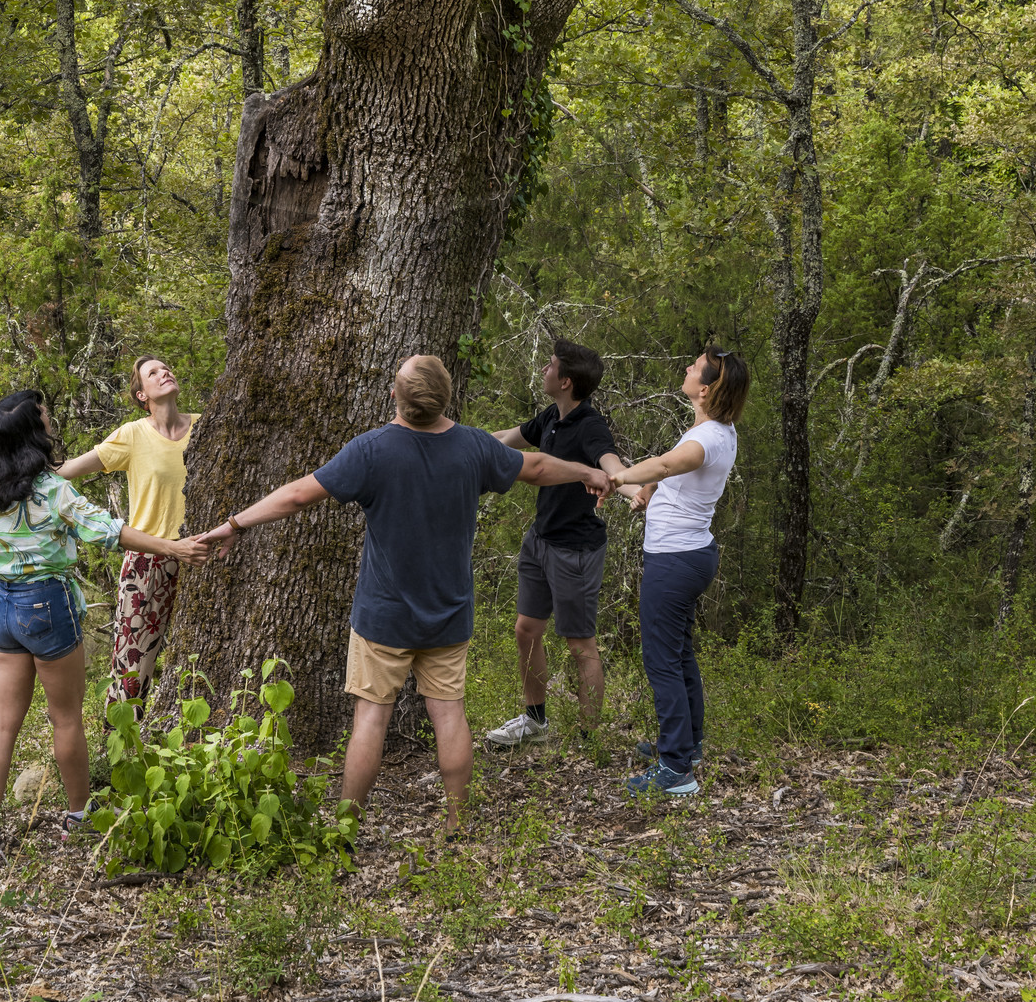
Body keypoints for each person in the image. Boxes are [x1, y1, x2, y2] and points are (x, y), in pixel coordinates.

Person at [195, 354, 613, 837]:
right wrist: (587, 473)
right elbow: (537, 467)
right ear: (446, 397)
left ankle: (346, 829)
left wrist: (233, 525)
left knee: (370, 721)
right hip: (448, 614)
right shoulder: (473, 447)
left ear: (396, 396)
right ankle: (457, 822)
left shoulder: (372, 450)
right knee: (449, 713)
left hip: (384, 617)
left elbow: (295, 496)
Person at [0, 387, 210, 871]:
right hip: (47, 604)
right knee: (66, 718)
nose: (49, 420)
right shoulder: (52, 488)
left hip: (3, 605)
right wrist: (173, 548)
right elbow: (109, 531)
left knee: (4, 722)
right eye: (43, 416)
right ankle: (79, 816)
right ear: (32, 435)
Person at [610, 347, 750, 801]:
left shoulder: (707, 438)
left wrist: (620, 477)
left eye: (695, 367)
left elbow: (672, 463)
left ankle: (675, 769)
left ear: (705, 389)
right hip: (690, 554)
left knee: (662, 662)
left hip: (675, 561)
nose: (687, 368)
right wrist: (647, 491)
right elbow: (673, 473)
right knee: (679, 654)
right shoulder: (713, 429)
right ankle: (687, 748)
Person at [484, 339, 626, 747]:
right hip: (540, 540)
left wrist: (622, 479)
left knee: (580, 643)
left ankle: (588, 738)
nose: (544, 370)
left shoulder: (590, 425)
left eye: (549, 366)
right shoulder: (551, 416)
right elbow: (507, 438)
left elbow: (609, 459)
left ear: (565, 381)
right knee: (526, 629)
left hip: (575, 550)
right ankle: (535, 722)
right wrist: (456, 441)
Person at [58, 353, 198, 714]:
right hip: (148, 559)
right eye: (153, 372)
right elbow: (67, 472)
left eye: (166, 367)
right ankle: (120, 743)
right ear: (142, 395)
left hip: (202, 556)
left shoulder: (203, 427)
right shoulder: (132, 435)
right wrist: (13, 465)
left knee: (199, 655)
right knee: (132, 660)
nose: (165, 371)